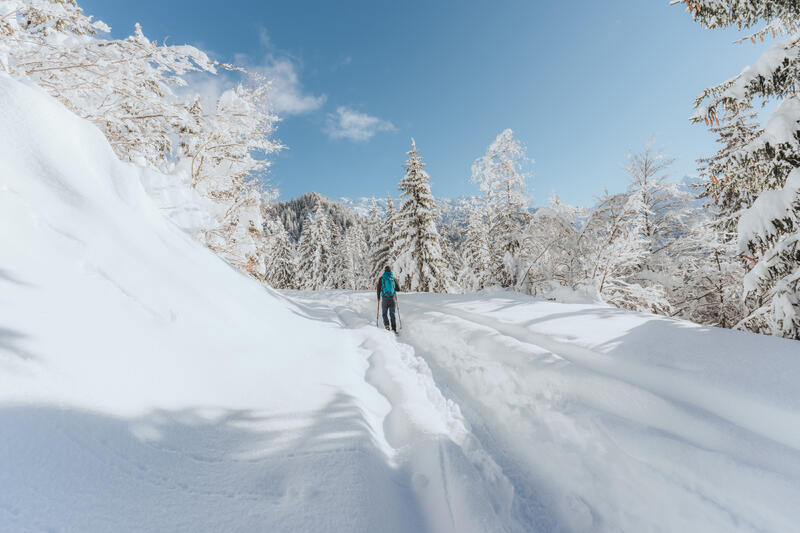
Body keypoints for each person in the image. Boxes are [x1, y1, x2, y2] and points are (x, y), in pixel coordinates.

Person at [377, 265, 398, 333]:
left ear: (384, 271)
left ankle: (387, 326)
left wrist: (378, 298)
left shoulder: (381, 278)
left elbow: (378, 289)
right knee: (392, 314)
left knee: (384, 313)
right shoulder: (393, 278)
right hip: (392, 299)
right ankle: (394, 329)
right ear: (390, 271)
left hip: (384, 299)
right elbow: (398, 289)